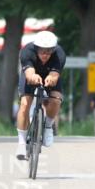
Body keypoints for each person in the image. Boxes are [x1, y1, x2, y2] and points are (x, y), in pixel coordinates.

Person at [16, 31, 66, 159]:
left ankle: (48, 126)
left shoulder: (59, 54)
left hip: (50, 75)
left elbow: (54, 75)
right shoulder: (27, 51)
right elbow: (29, 73)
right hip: (32, 74)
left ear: (53, 50)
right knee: (25, 104)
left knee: (55, 100)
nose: (45, 54)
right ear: (36, 48)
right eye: (42, 51)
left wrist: (51, 79)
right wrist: (33, 76)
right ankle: (21, 142)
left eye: (49, 51)